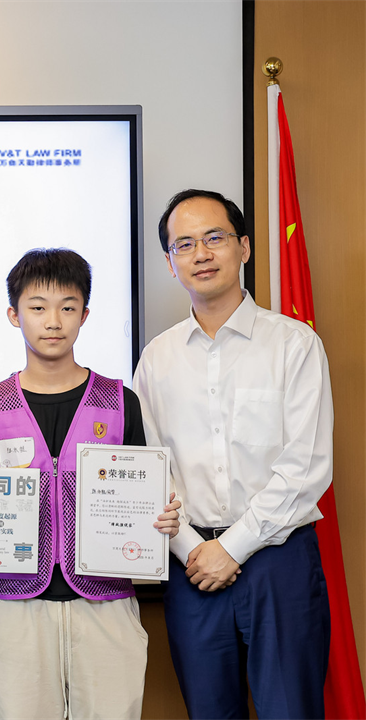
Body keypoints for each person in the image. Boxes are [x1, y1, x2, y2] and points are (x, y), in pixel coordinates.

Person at [0, 248, 181, 720]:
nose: (53, 321)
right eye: (37, 307)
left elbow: (142, 502)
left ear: (85, 315)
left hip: (108, 606)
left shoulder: (120, 402)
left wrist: (161, 521)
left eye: (67, 307)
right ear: (14, 315)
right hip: (17, 607)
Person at [133, 189, 333, 719]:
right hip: (192, 566)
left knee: (290, 710)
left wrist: (233, 547)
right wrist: (194, 549)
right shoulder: (156, 359)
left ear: (243, 247)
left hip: (278, 559)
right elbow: (149, 469)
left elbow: (306, 468)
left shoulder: (294, 344)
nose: (200, 254)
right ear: (170, 263)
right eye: (183, 244)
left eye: (214, 238)